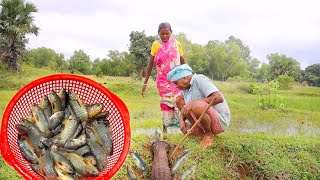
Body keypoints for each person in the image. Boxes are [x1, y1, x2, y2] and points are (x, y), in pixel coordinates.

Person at [167, 64, 231, 148]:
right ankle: (198, 130)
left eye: (176, 83)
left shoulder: (200, 79)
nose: (176, 86)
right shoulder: (185, 88)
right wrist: (181, 120)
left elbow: (218, 98)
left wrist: (193, 103)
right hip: (202, 120)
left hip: (219, 121)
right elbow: (182, 104)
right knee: (179, 99)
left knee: (196, 105)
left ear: (184, 78)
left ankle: (208, 134)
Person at [141, 22, 187, 132]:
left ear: (171, 32)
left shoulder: (176, 44)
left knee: (179, 104)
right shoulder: (156, 45)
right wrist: (145, 83)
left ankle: (182, 129)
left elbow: (183, 61)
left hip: (177, 81)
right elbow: (150, 65)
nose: (165, 36)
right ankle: (165, 130)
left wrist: (188, 77)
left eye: (167, 33)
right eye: (162, 34)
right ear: (158, 34)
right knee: (165, 106)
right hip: (162, 82)